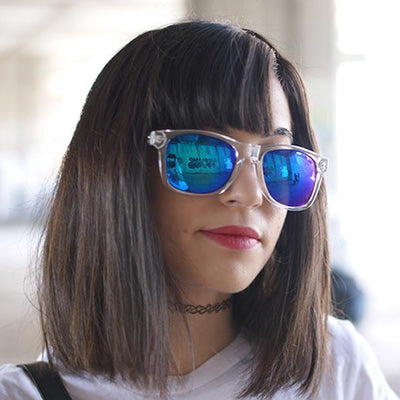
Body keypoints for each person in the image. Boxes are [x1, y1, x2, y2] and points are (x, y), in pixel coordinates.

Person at [0, 20, 398, 400]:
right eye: (202, 156)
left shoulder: (335, 366)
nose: (250, 194)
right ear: (118, 171)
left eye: (278, 162)